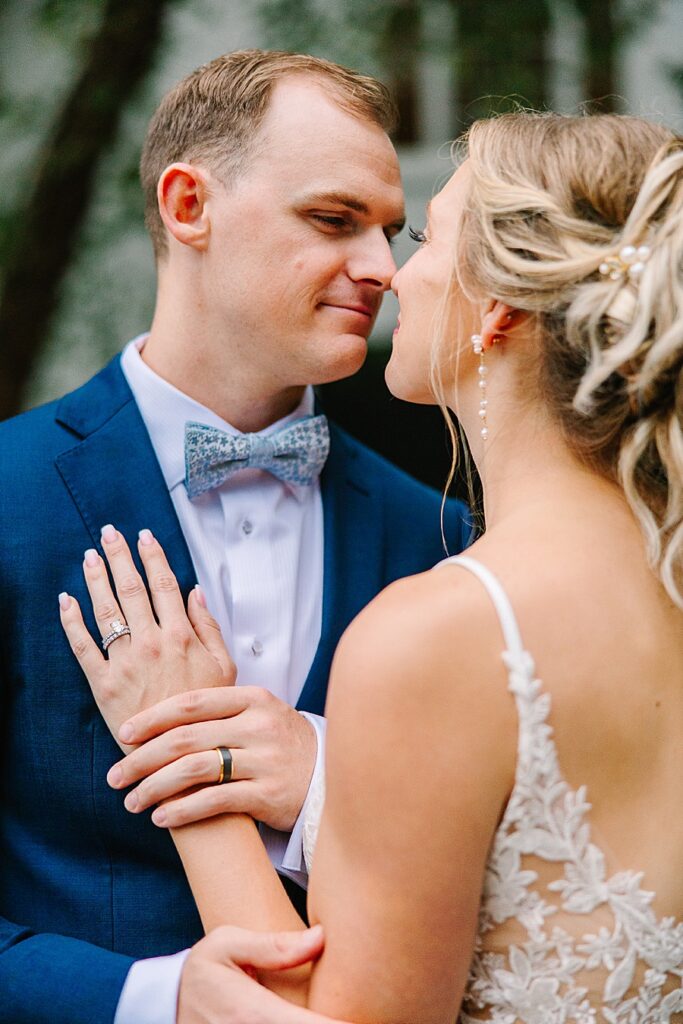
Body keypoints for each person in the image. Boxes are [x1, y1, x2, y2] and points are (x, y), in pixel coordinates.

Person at [63, 111, 683, 1022]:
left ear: (499, 306)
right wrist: (324, 778)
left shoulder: (436, 627)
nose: (394, 270)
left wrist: (187, 766)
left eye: (423, 235)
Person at [0, 50, 469, 1024]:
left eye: (389, 232)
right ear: (188, 207)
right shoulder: (9, 497)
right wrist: (149, 996)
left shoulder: (437, 533)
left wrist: (321, 774)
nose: (382, 269)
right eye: (334, 221)